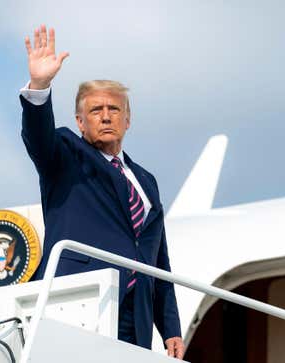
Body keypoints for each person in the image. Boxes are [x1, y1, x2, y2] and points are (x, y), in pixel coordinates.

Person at [19, 25, 185, 359]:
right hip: (80, 300)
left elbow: (158, 262)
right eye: (96, 111)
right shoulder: (66, 152)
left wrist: (170, 329)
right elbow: (39, 138)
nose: (106, 116)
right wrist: (39, 86)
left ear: (128, 119)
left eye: (114, 110)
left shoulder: (146, 181)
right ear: (80, 121)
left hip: (133, 318)